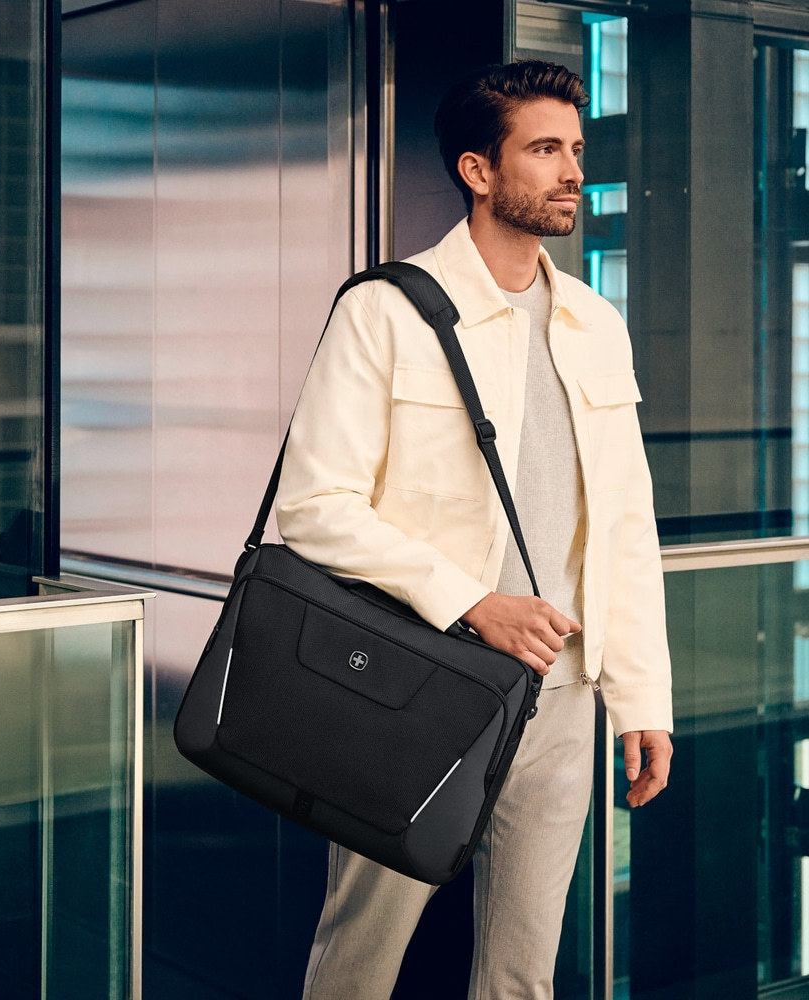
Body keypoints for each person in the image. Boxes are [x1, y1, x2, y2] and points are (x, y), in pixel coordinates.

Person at [275, 60, 673, 1000]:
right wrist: (474, 604)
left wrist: (642, 691)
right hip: (419, 683)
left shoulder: (595, 322)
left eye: (576, 149)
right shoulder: (386, 310)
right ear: (478, 170)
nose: (572, 169)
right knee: (359, 962)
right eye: (544, 150)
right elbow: (314, 507)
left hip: (565, 694)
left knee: (523, 975)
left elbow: (623, 522)